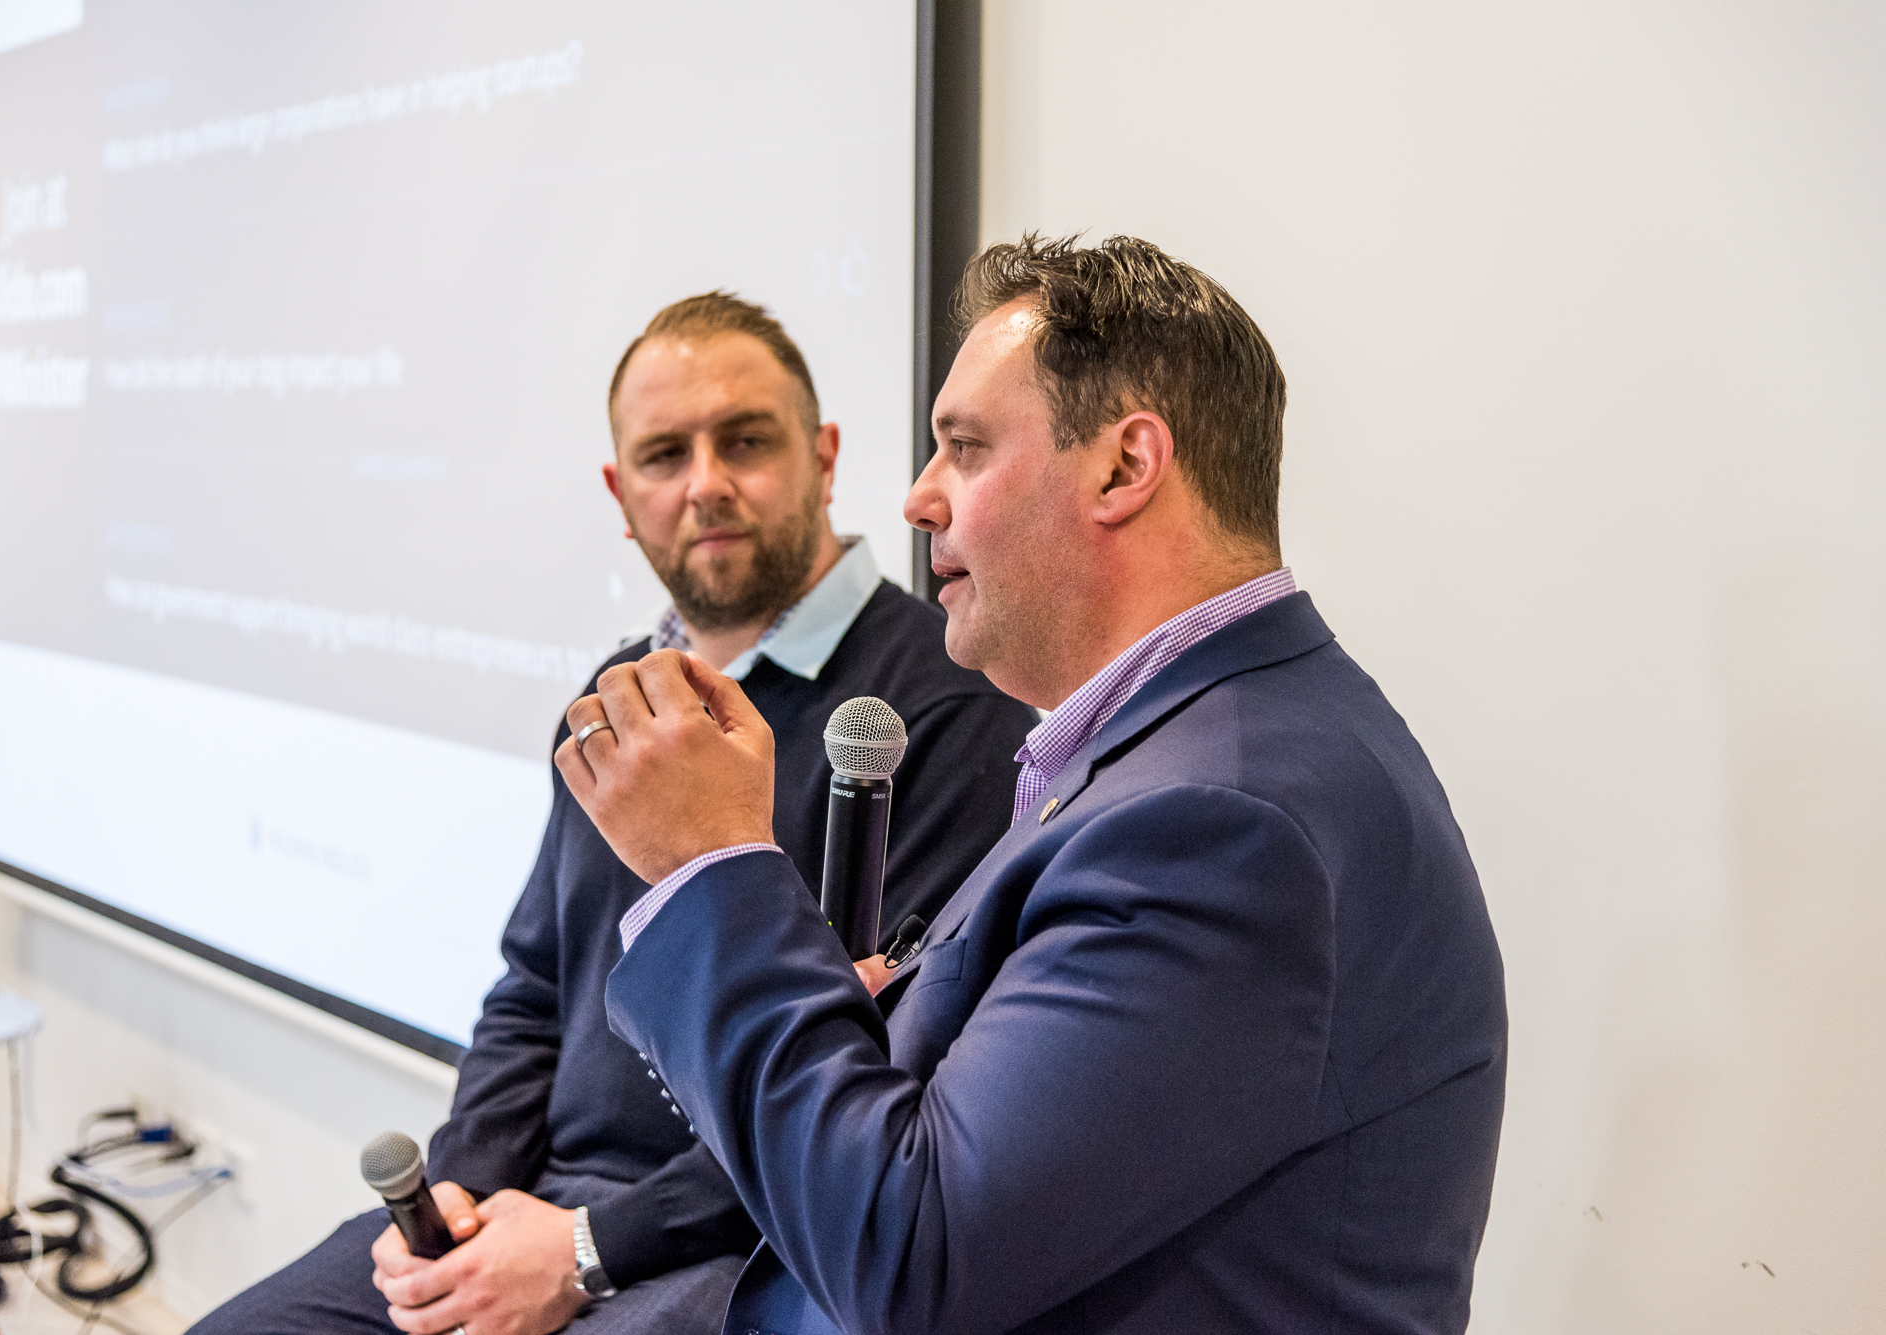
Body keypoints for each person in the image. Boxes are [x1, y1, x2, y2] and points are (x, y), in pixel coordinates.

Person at [555, 236, 1509, 1335]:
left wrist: (710, 866)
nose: (917, 500)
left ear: (1121, 467)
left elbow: (912, 1259)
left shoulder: (1219, 825)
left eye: (962, 447)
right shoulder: (1183, 746)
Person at [188, 294, 1039, 1335]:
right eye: (663, 456)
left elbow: (880, 1090)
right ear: (619, 494)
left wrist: (585, 1251)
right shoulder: (615, 698)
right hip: (532, 1203)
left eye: (745, 441)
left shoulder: (934, 716)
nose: (706, 485)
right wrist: (458, 1200)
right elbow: (535, 986)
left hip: (734, 1239)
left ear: (823, 457)